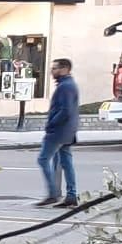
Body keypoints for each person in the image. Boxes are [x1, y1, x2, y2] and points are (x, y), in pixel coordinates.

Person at [37, 58, 79, 209]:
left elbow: (65, 110)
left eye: (55, 68)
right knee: (66, 162)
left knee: (42, 159)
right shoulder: (68, 85)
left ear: (65, 69)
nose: (52, 71)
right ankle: (71, 195)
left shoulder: (65, 87)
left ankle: (53, 194)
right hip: (67, 131)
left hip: (58, 131)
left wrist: (51, 123)